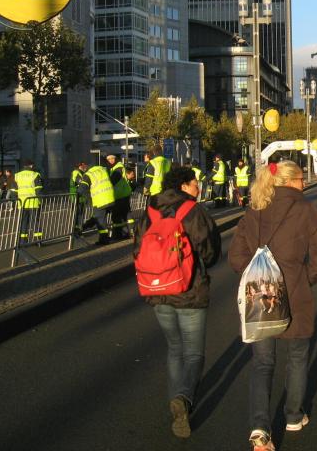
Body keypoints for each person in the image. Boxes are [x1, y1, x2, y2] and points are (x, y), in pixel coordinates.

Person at [229, 161, 317, 451]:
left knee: (262, 363)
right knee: (297, 357)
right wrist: (305, 279)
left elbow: (236, 256)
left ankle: (260, 428)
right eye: (300, 179)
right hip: (295, 292)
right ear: (289, 181)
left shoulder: (254, 209)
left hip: (260, 296)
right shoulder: (306, 209)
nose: (304, 184)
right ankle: (293, 416)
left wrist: (256, 276)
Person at [134, 166, 221, 439]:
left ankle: (176, 405)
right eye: (195, 182)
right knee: (193, 353)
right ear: (183, 185)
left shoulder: (149, 212)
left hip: (157, 290)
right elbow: (210, 251)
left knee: (174, 349)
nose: (198, 186)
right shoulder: (193, 211)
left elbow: (137, 249)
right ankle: (183, 399)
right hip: (190, 292)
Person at [78, 162, 116, 245]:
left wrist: (89, 198)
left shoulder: (88, 174)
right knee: (98, 217)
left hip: (100, 200)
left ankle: (104, 240)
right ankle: (84, 227)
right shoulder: (103, 170)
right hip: (110, 198)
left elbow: (81, 189)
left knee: (100, 221)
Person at [9, 159, 43, 243]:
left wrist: (15, 201)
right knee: (35, 221)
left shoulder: (17, 175)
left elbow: (13, 190)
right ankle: (38, 240)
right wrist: (40, 201)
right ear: (31, 165)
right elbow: (38, 189)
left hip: (22, 203)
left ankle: (23, 240)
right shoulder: (35, 174)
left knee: (23, 221)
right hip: (33, 202)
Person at [106, 154, 133, 239]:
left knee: (116, 216)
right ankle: (130, 232)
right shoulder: (116, 168)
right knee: (126, 214)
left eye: (112, 158)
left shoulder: (118, 168)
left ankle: (118, 235)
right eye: (109, 159)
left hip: (120, 195)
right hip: (123, 194)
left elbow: (113, 181)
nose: (110, 160)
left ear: (116, 159)